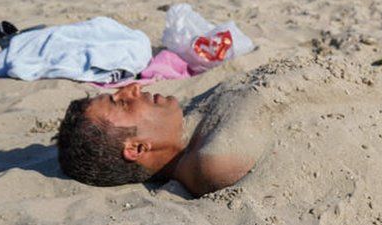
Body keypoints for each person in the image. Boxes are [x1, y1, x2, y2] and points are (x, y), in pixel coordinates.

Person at [56, 83, 261, 197]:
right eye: (123, 104)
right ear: (137, 148)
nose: (133, 88)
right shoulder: (215, 162)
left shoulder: (189, 117)